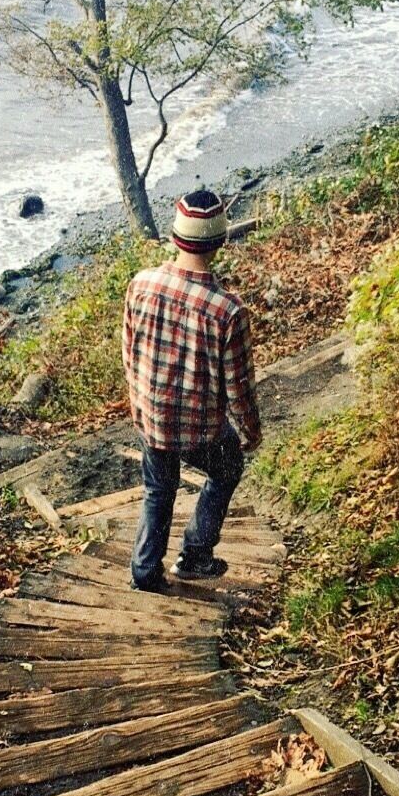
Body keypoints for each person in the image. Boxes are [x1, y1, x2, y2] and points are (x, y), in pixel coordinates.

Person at [122, 188, 262, 592]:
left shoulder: (141, 284)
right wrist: (250, 432)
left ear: (175, 235)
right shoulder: (227, 310)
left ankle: (145, 572)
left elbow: (130, 355)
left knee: (157, 488)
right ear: (220, 241)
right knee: (227, 466)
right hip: (200, 427)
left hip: (153, 418)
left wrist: (140, 407)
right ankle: (196, 555)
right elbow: (238, 388)